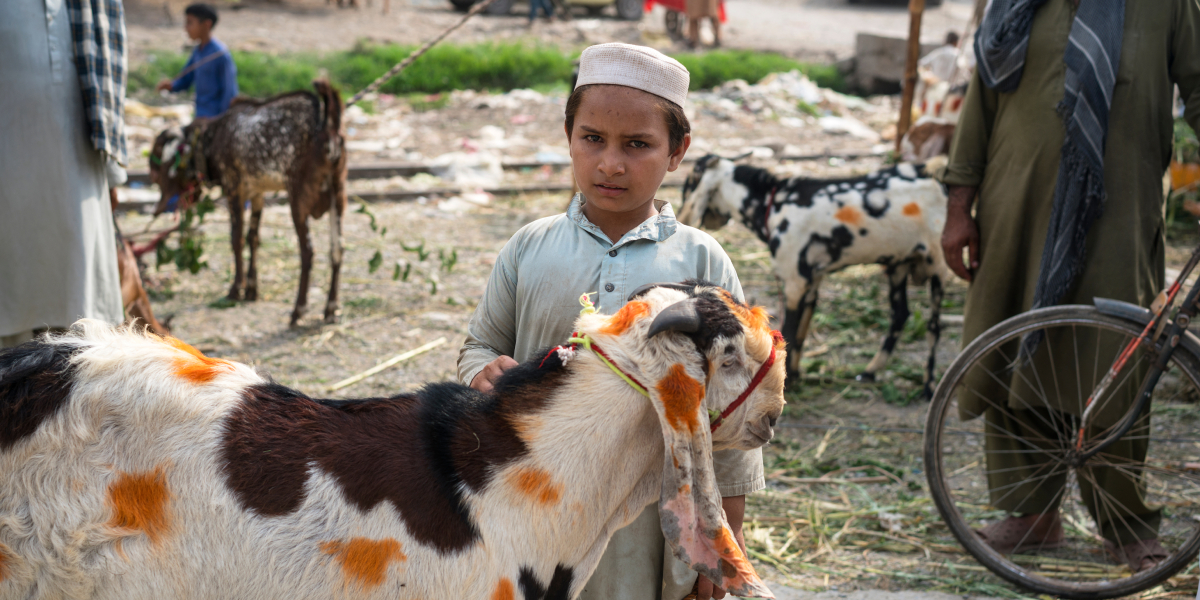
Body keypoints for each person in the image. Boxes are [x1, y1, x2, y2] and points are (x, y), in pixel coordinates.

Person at [458, 43, 762, 600]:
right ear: (568, 135)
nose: (611, 163)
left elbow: (732, 418)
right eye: (592, 139)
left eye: (638, 144)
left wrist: (725, 545)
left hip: (651, 523)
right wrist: (483, 372)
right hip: (533, 509)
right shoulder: (530, 248)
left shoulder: (701, 262)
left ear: (677, 152)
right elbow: (480, 346)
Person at [940, 0, 1200, 573]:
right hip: (1015, 202)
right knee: (1013, 347)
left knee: (1119, 353)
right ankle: (1031, 513)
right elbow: (980, 105)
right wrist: (960, 204)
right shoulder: (1013, 4)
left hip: (1119, 208)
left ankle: (1125, 523)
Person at [0, 0, 127, 348]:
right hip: (8, 160)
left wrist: (114, 171)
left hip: (79, 159)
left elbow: (108, 77)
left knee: (78, 310)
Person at [156, 3, 238, 119]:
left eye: (190, 23)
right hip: (200, 115)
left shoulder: (220, 54)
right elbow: (186, 78)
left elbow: (229, 92)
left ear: (206, 24)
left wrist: (222, 120)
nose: (186, 28)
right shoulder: (198, 51)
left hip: (214, 118)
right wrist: (171, 86)